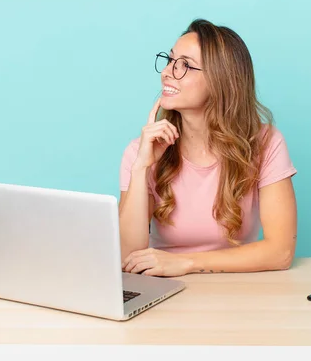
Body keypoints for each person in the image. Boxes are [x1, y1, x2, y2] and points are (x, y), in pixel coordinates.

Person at [118, 19, 298, 277]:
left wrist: (186, 263)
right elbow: (127, 258)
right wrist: (140, 168)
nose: (167, 72)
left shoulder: (266, 143)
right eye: (170, 60)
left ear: (220, 80)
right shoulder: (141, 152)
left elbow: (280, 252)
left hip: (237, 290)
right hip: (164, 290)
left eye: (185, 66)